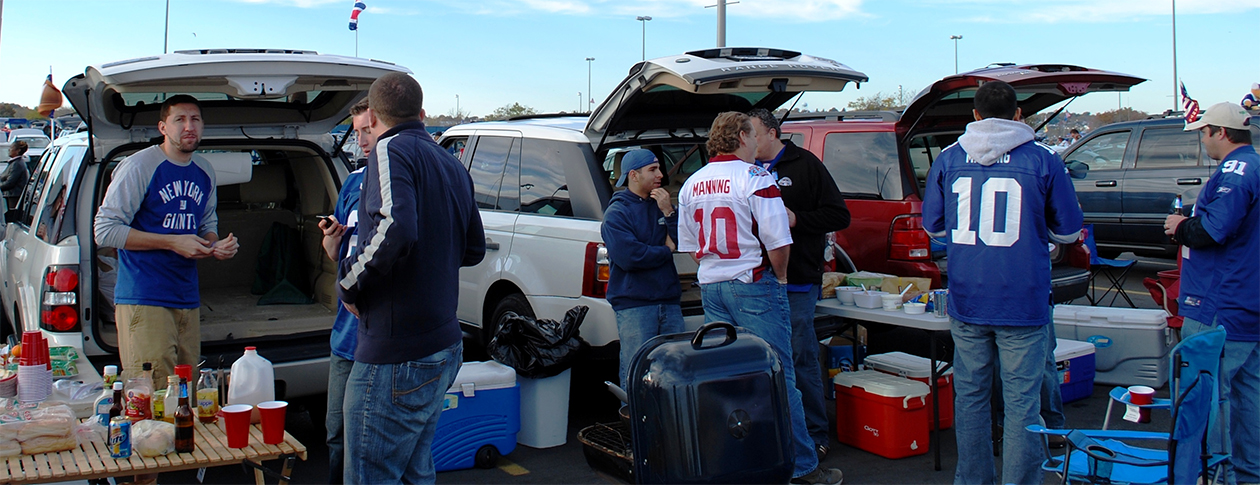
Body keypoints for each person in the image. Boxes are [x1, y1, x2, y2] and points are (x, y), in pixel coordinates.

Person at [922, 80, 1083, 485]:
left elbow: (934, 227)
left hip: (967, 297)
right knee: (1022, 404)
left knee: (971, 398)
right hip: (1022, 299)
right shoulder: (1044, 158)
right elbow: (1068, 230)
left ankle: (973, 480)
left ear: (974, 116)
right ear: (1018, 115)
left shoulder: (948, 158)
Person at [336, 72, 486, 484]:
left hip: (395, 352)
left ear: (374, 112)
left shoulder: (388, 150)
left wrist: (349, 281)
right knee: (415, 471)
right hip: (444, 344)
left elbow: (396, 225)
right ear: (418, 110)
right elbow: (474, 248)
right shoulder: (450, 163)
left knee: (373, 475)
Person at [678, 112, 843, 485]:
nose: (757, 144)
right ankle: (803, 466)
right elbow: (778, 239)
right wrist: (781, 276)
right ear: (741, 136)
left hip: (712, 286)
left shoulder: (692, 183)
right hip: (753, 283)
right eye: (752, 137)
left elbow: (691, 246)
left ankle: (738, 457)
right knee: (779, 375)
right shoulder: (755, 177)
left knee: (728, 375)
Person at [94, 95, 240, 385]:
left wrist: (215, 247)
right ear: (163, 127)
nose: (189, 127)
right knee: (153, 395)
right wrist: (172, 242)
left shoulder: (204, 170)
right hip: (145, 297)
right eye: (180, 120)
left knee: (187, 395)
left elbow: (206, 225)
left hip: (187, 298)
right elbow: (105, 230)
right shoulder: (140, 166)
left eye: (195, 120)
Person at [747, 108, 850, 460]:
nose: (748, 141)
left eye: (754, 134)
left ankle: (814, 434)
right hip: (754, 281)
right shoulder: (743, 169)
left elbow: (839, 214)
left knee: (800, 356)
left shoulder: (804, 165)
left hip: (797, 280)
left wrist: (796, 219)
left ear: (773, 134)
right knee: (760, 359)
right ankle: (771, 433)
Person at [1164, 102, 1258, 485]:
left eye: (1204, 132)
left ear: (1220, 131)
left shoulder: (1236, 172)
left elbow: (1213, 231)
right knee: (1248, 393)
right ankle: (1248, 473)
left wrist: (1181, 225)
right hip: (1247, 297)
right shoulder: (1254, 165)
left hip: (1220, 300)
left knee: (1202, 394)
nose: (1202, 140)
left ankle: (1212, 474)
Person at [318, 98, 374, 484]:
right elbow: (340, 251)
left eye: (368, 129)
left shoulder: (397, 183)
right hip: (344, 336)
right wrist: (331, 244)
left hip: (376, 341)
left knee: (365, 442)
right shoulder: (352, 182)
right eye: (356, 133)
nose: (363, 140)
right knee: (335, 434)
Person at [601, 149, 683, 390]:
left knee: (674, 369)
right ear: (633, 175)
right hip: (635, 305)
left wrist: (669, 212)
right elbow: (629, 257)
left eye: (659, 168)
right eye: (653, 169)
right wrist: (664, 251)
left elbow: (682, 241)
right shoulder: (617, 213)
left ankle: (671, 423)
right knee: (637, 371)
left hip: (669, 301)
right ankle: (634, 424)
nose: (661, 174)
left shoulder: (661, 204)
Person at [0, 140, 30, 208]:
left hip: (14, 197)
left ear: (17, 151)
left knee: (12, 216)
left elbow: (10, 183)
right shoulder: (15, 162)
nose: (9, 150)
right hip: (11, 196)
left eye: (11, 148)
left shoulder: (17, 164)